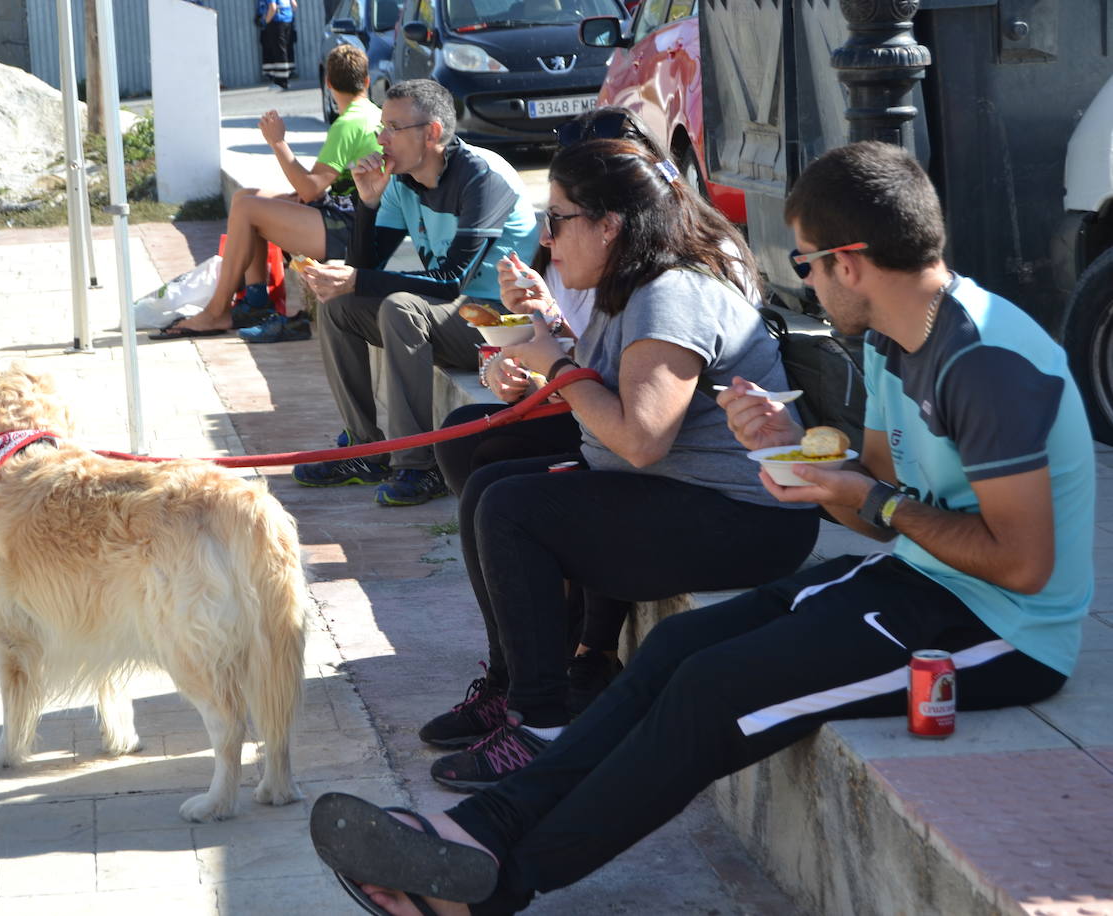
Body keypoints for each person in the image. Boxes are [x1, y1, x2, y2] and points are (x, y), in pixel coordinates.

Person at [306, 140, 1096, 916]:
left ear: (849, 262)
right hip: (922, 581)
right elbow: (881, 504)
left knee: (714, 692)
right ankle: (478, 830)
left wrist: (873, 498)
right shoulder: (893, 342)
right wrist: (785, 452)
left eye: (806, 263)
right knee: (678, 649)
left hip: (1003, 631)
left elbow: (1021, 566)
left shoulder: (988, 362)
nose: (807, 280)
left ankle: (493, 891)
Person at [418, 133, 821, 792]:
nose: (547, 239)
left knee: (513, 508)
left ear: (608, 226)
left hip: (749, 519)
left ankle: (542, 726)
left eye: (557, 219)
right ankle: (510, 686)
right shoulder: (630, 285)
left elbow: (641, 439)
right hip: (690, 497)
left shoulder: (669, 294)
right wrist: (542, 360)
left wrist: (560, 365)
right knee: (492, 479)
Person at [292, 78, 540, 507]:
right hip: (452, 314)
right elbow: (365, 269)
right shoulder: (402, 181)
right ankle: (363, 450)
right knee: (340, 306)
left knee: (400, 308)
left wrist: (357, 279)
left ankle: (420, 466)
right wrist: (367, 207)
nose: (380, 138)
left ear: (432, 133)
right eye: (380, 127)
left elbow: (451, 281)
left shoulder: (483, 178)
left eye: (393, 128)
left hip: (503, 321)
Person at [150, 45, 380, 343]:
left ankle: (216, 311)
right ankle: (255, 301)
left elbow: (309, 190)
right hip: (349, 217)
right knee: (246, 197)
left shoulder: (348, 123)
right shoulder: (370, 113)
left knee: (248, 209)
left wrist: (278, 143)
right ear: (367, 81)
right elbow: (323, 187)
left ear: (329, 84)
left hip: (348, 231)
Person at [258, 0, 296, 90]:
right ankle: (285, 79)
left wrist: (266, 21)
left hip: (276, 21)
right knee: (284, 50)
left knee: (279, 51)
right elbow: (294, 5)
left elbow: (273, 7)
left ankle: (281, 83)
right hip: (288, 20)